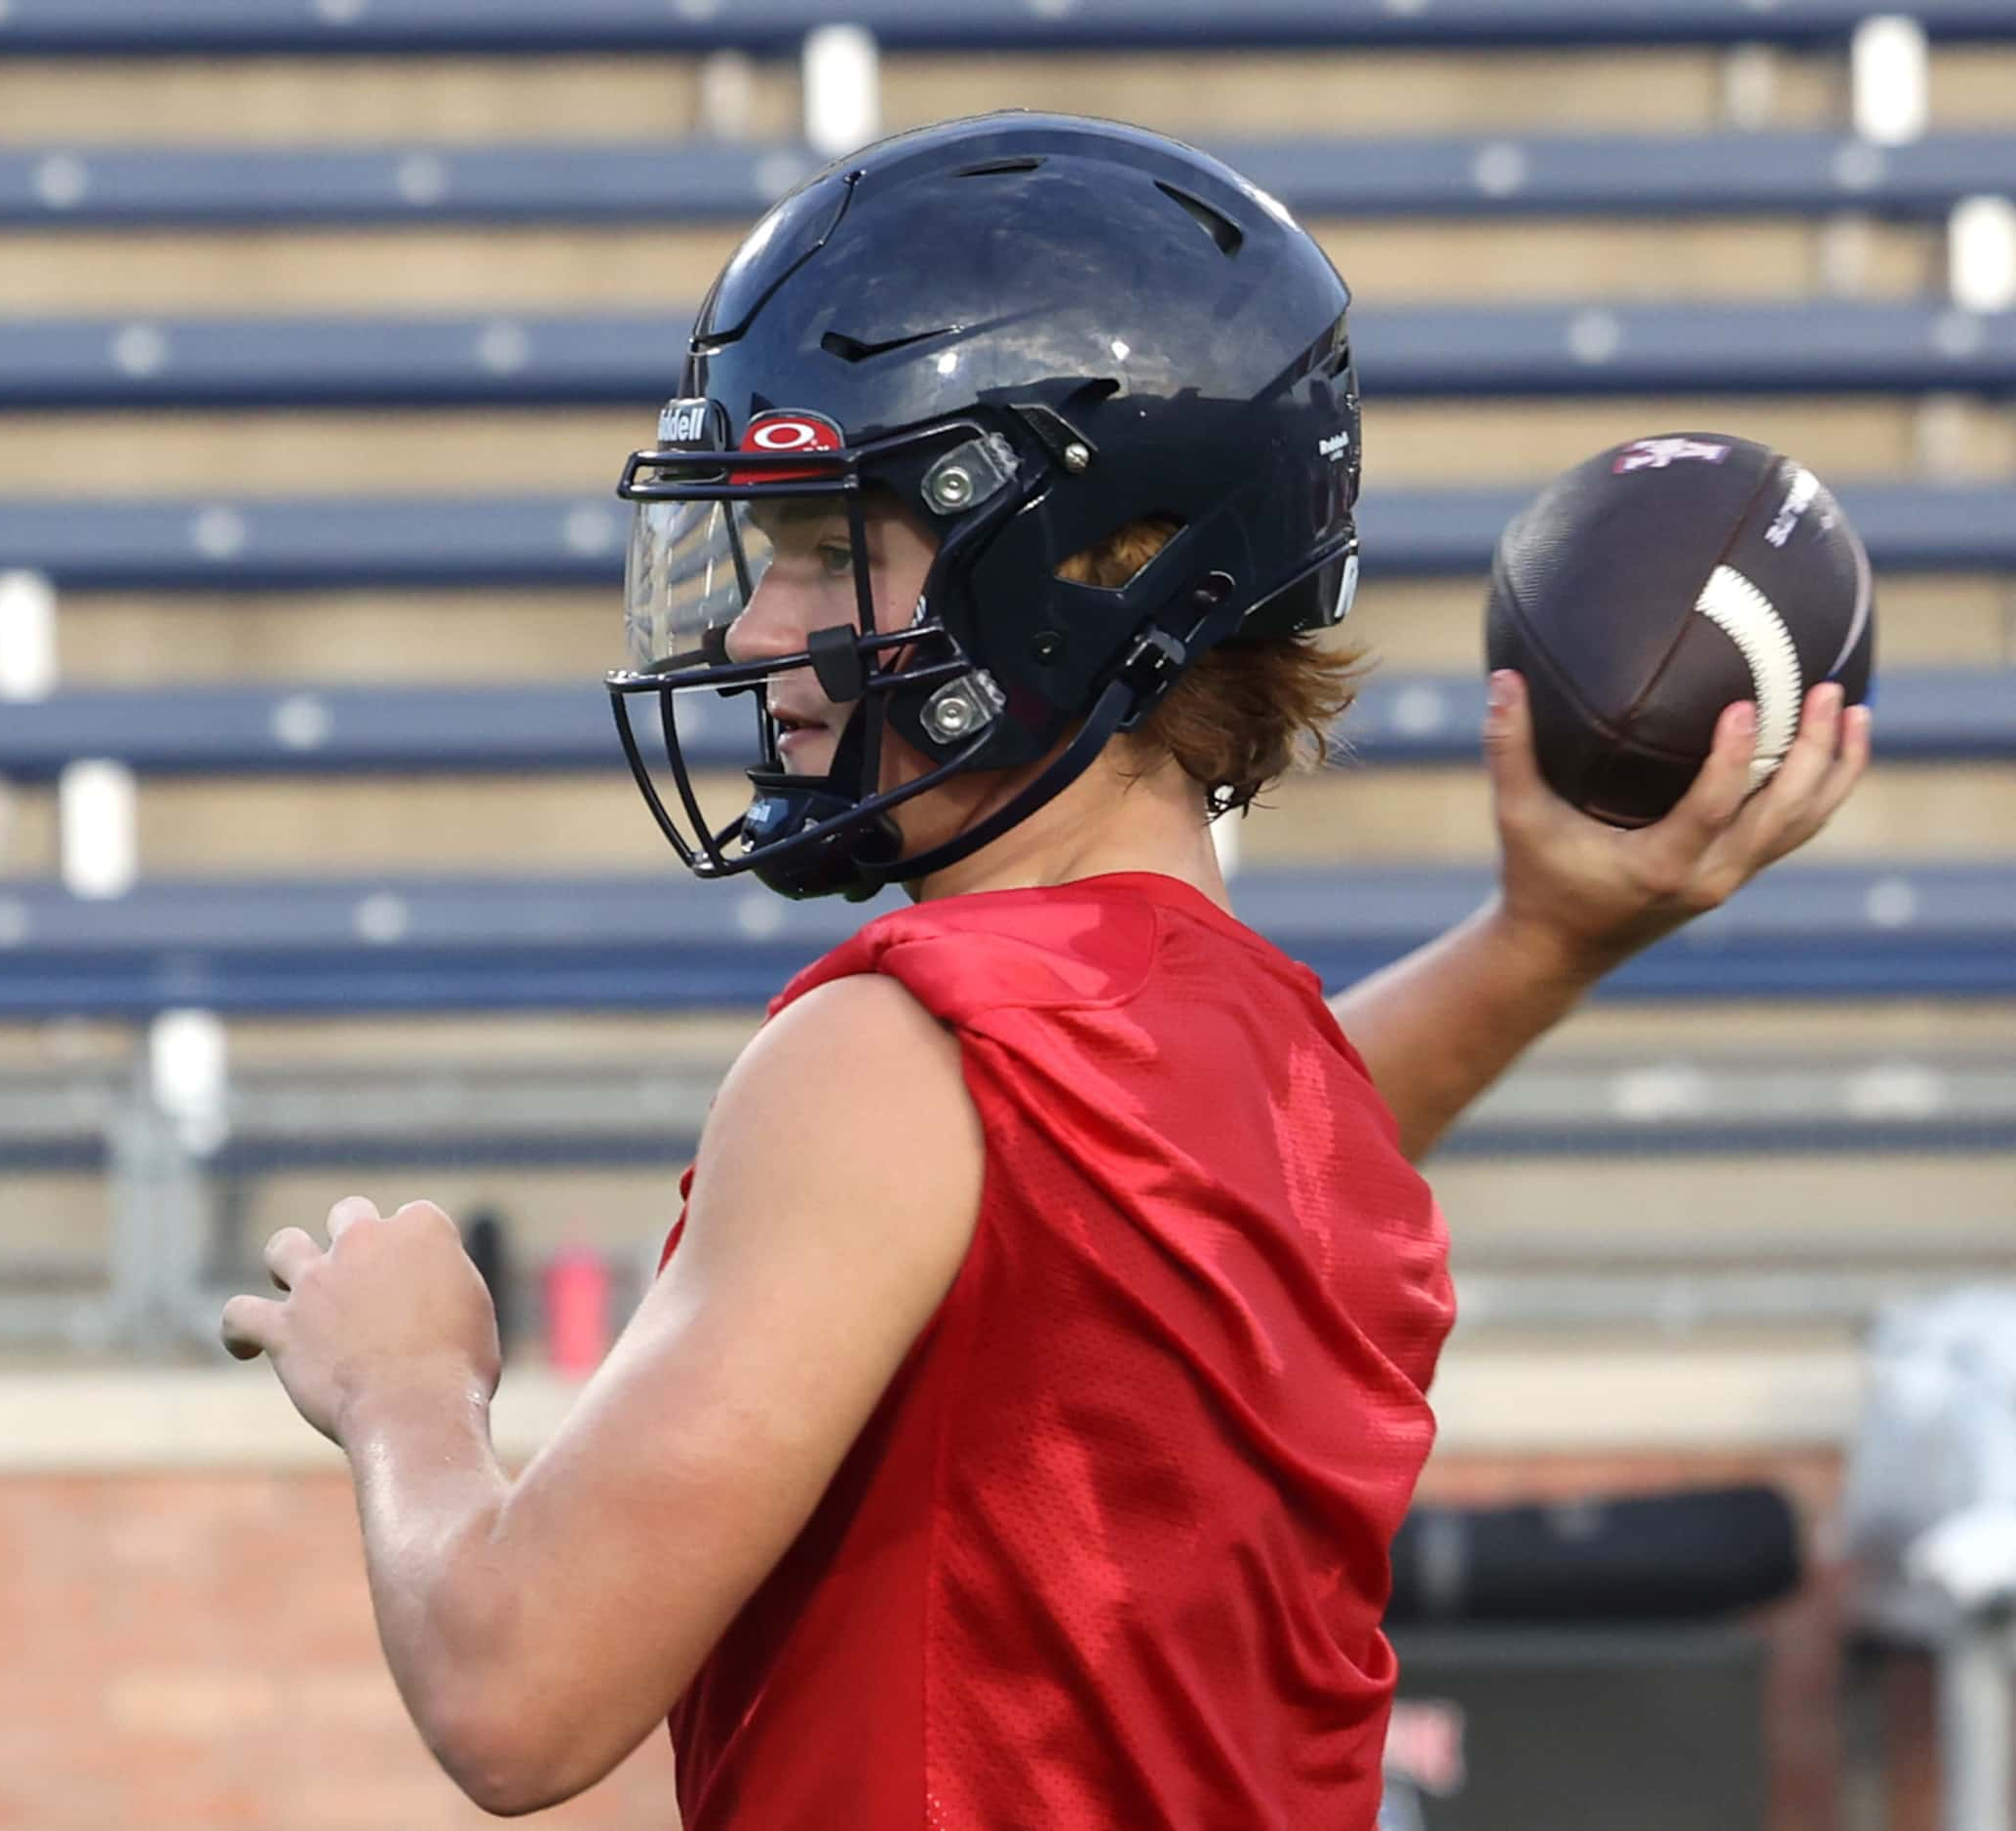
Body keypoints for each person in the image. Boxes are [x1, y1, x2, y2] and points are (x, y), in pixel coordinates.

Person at [221, 114, 1871, 1827]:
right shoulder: (1260, 1062)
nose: (754, 630)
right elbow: (1186, 1153)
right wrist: (1545, 941)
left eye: (828, 541)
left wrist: (410, 1384)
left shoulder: (887, 1056)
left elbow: (515, 1692)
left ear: (1083, 569)